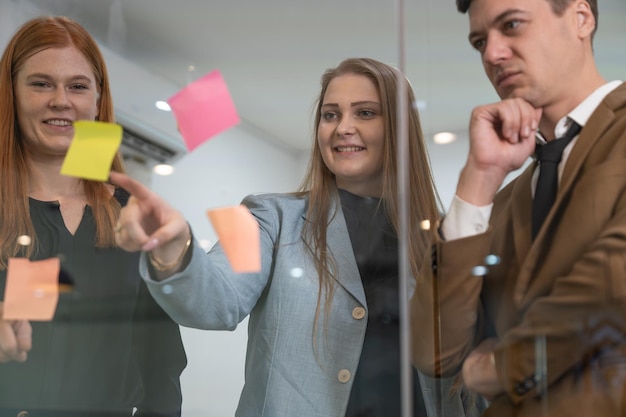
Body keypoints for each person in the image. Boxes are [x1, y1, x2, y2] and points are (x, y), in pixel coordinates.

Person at [110, 57, 483, 417]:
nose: (342, 128)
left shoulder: (447, 239)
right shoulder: (265, 215)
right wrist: (176, 249)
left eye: (365, 113)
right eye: (330, 114)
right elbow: (214, 303)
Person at [412, 0, 626, 415]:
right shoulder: (505, 200)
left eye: (512, 25)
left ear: (581, 18)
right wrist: (479, 178)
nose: (492, 54)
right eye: (479, 41)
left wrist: (504, 365)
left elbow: (615, 282)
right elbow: (434, 352)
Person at [0, 16, 186, 417]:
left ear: (98, 102)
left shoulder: (130, 218)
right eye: (41, 83)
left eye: (78, 86)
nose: (61, 100)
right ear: (10, 93)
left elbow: (162, 365)